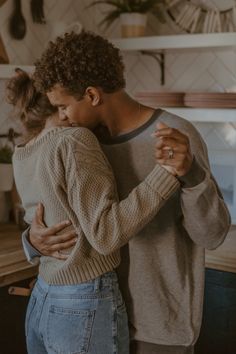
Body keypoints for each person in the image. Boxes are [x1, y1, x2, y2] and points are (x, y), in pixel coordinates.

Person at [22, 31, 230, 354]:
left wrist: (192, 175)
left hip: (160, 332)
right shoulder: (77, 145)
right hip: (94, 322)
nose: (60, 118)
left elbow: (213, 235)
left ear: (91, 95)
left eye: (63, 107)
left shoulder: (176, 137)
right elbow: (52, 216)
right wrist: (32, 241)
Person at [7, 69, 180, 354]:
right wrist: (166, 174)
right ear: (60, 106)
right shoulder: (72, 140)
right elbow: (106, 234)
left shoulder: (23, 152)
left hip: (43, 297)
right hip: (83, 300)